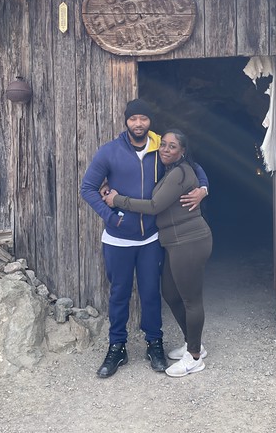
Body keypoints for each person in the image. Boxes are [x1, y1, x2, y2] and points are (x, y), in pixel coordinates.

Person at [81, 99, 208, 378]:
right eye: (133, 119)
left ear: (150, 121)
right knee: (119, 295)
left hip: (151, 239)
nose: (138, 124)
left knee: (151, 294)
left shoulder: (160, 147)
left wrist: (204, 188)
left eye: (144, 119)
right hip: (118, 239)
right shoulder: (109, 152)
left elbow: (194, 166)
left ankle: (154, 345)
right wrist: (111, 217)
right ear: (126, 121)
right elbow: (88, 188)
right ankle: (117, 347)